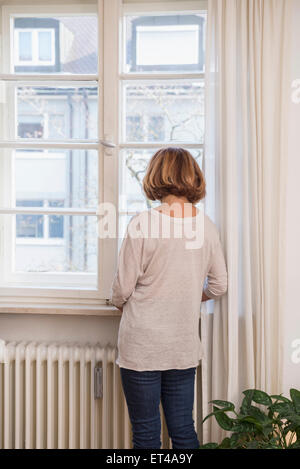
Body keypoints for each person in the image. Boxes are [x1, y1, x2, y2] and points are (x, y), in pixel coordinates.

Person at [110, 147, 227, 449]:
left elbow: (122, 289)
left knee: (147, 436)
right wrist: (188, 294)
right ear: (193, 177)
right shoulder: (207, 226)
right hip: (181, 346)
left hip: (142, 346)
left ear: (156, 177)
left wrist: (121, 302)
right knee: (183, 431)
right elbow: (218, 286)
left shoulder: (142, 224)